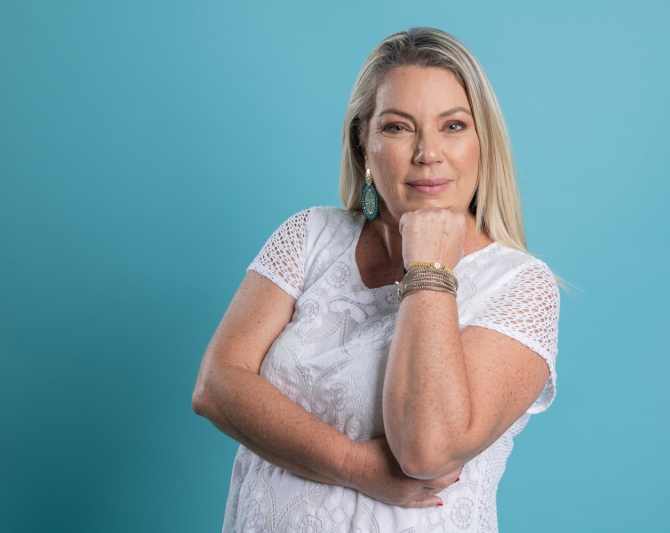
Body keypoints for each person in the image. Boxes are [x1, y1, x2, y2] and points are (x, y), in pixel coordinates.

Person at [192, 27, 560, 533]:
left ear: (483, 144)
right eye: (398, 127)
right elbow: (215, 385)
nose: (428, 152)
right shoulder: (310, 236)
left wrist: (428, 267)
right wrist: (356, 466)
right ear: (363, 143)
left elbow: (427, 451)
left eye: (453, 126)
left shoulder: (520, 285)